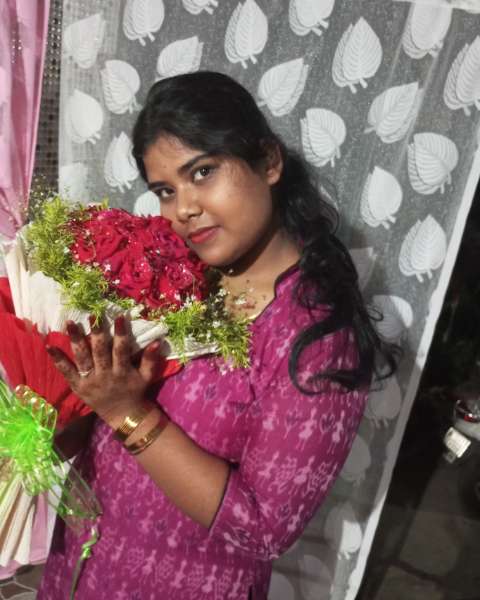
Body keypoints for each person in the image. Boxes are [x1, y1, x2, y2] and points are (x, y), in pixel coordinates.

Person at [38, 71, 398, 599]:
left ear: (268, 162)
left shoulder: (316, 337)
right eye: (165, 191)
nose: (183, 208)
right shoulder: (174, 277)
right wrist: (51, 421)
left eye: (202, 172)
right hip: (77, 567)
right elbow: (102, 422)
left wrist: (128, 413)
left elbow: (265, 529)